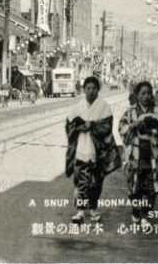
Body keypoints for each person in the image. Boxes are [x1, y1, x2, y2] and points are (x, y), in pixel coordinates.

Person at [65, 76, 121, 224]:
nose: (91, 91)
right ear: (84, 90)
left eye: (94, 88)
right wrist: (78, 127)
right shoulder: (77, 107)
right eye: (88, 88)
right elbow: (69, 125)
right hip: (81, 149)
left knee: (96, 182)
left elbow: (107, 127)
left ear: (98, 89)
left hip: (98, 151)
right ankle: (80, 211)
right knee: (81, 181)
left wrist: (93, 126)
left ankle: (94, 209)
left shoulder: (104, 106)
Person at [118, 81, 158, 230]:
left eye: (148, 93)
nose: (146, 96)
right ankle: (136, 210)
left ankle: (146, 215)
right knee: (134, 186)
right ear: (137, 95)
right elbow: (121, 128)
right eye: (143, 93)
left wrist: (154, 130)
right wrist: (133, 126)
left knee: (150, 187)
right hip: (134, 154)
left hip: (152, 154)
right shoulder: (130, 112)